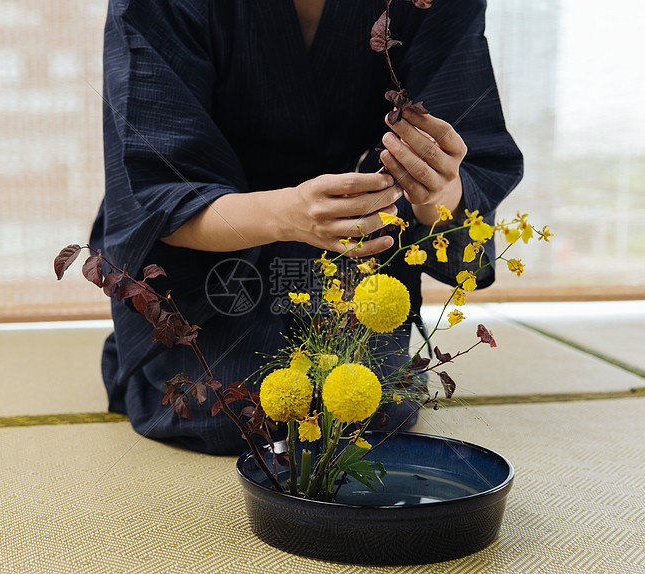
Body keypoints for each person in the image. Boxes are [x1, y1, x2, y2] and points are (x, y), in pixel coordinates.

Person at [90, 0, 523, 454]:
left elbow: (465, 175)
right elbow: (156, 189)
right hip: (215, 267)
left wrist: (433, 187)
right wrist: (287, 213)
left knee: (368, 409)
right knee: (235, 410)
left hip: (356, 264)